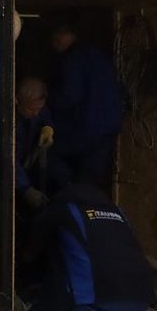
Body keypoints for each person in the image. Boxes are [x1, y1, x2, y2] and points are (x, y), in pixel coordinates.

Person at [24, 183, 155, 311]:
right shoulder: (118, 212)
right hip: (140, 302)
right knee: (111, 302)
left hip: (95, 305)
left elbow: (30, 253)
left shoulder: (61, 211)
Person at [47, 15, 123, 191]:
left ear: (61, 36)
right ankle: (85, 201)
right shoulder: (98, 55)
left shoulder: (74, 58)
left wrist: (48, 100)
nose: (54, 46)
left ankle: (70, 193)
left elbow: (70, 96)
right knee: (92, 180)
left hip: (87, 127)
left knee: (48, 156)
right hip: (107, 128)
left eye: (54, 40)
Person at [15, 77, 56, 209]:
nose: (36, 114)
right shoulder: (10, 123)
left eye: (39, 109)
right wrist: (26, 189)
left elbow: (44, 115)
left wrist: (48, 127)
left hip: (30, 165)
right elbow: (10, 161)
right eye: (31, 110)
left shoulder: (37, 109)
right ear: (17, 101)